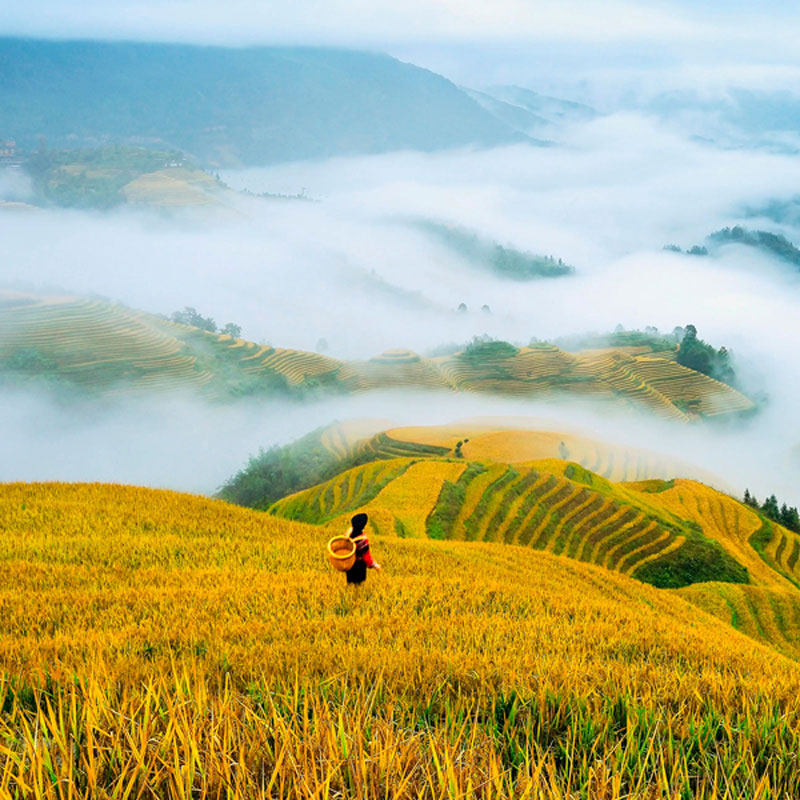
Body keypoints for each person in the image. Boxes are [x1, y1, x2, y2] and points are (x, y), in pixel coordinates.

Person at [346, 512, 381, 585]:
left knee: (350, 585)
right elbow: (366, 557)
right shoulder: (363, 540)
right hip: (359, 566)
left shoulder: (349, 533)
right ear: (364, 525)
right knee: (359, 585)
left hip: (349, 564)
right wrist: (375, 565)